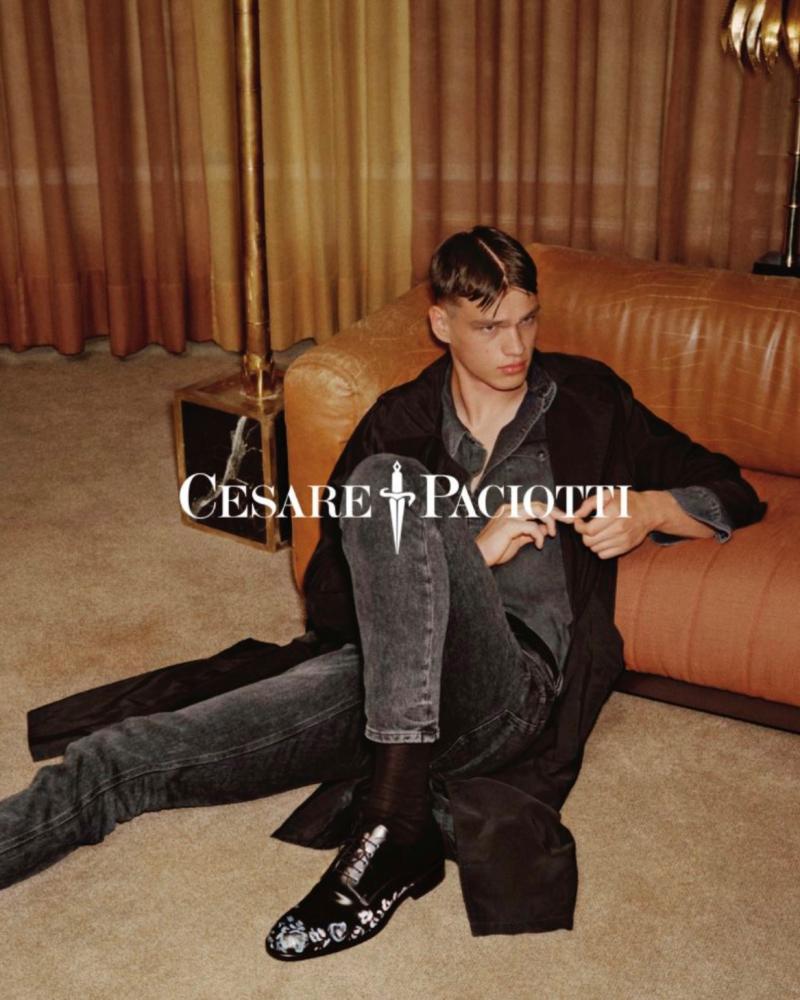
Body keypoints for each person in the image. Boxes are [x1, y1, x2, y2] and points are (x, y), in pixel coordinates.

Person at [0, 228, 766, 961]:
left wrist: (651, 511)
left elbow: (727, 485)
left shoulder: (587, 399)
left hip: (508, 686)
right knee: (129, 754)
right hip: (380, 680)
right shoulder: (398, 421)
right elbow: (331, 598)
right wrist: (469, 550)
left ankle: (394, 820)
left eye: (527, 321)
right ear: (441, 323)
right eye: (490, 326)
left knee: (386, 487)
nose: (516, 347)